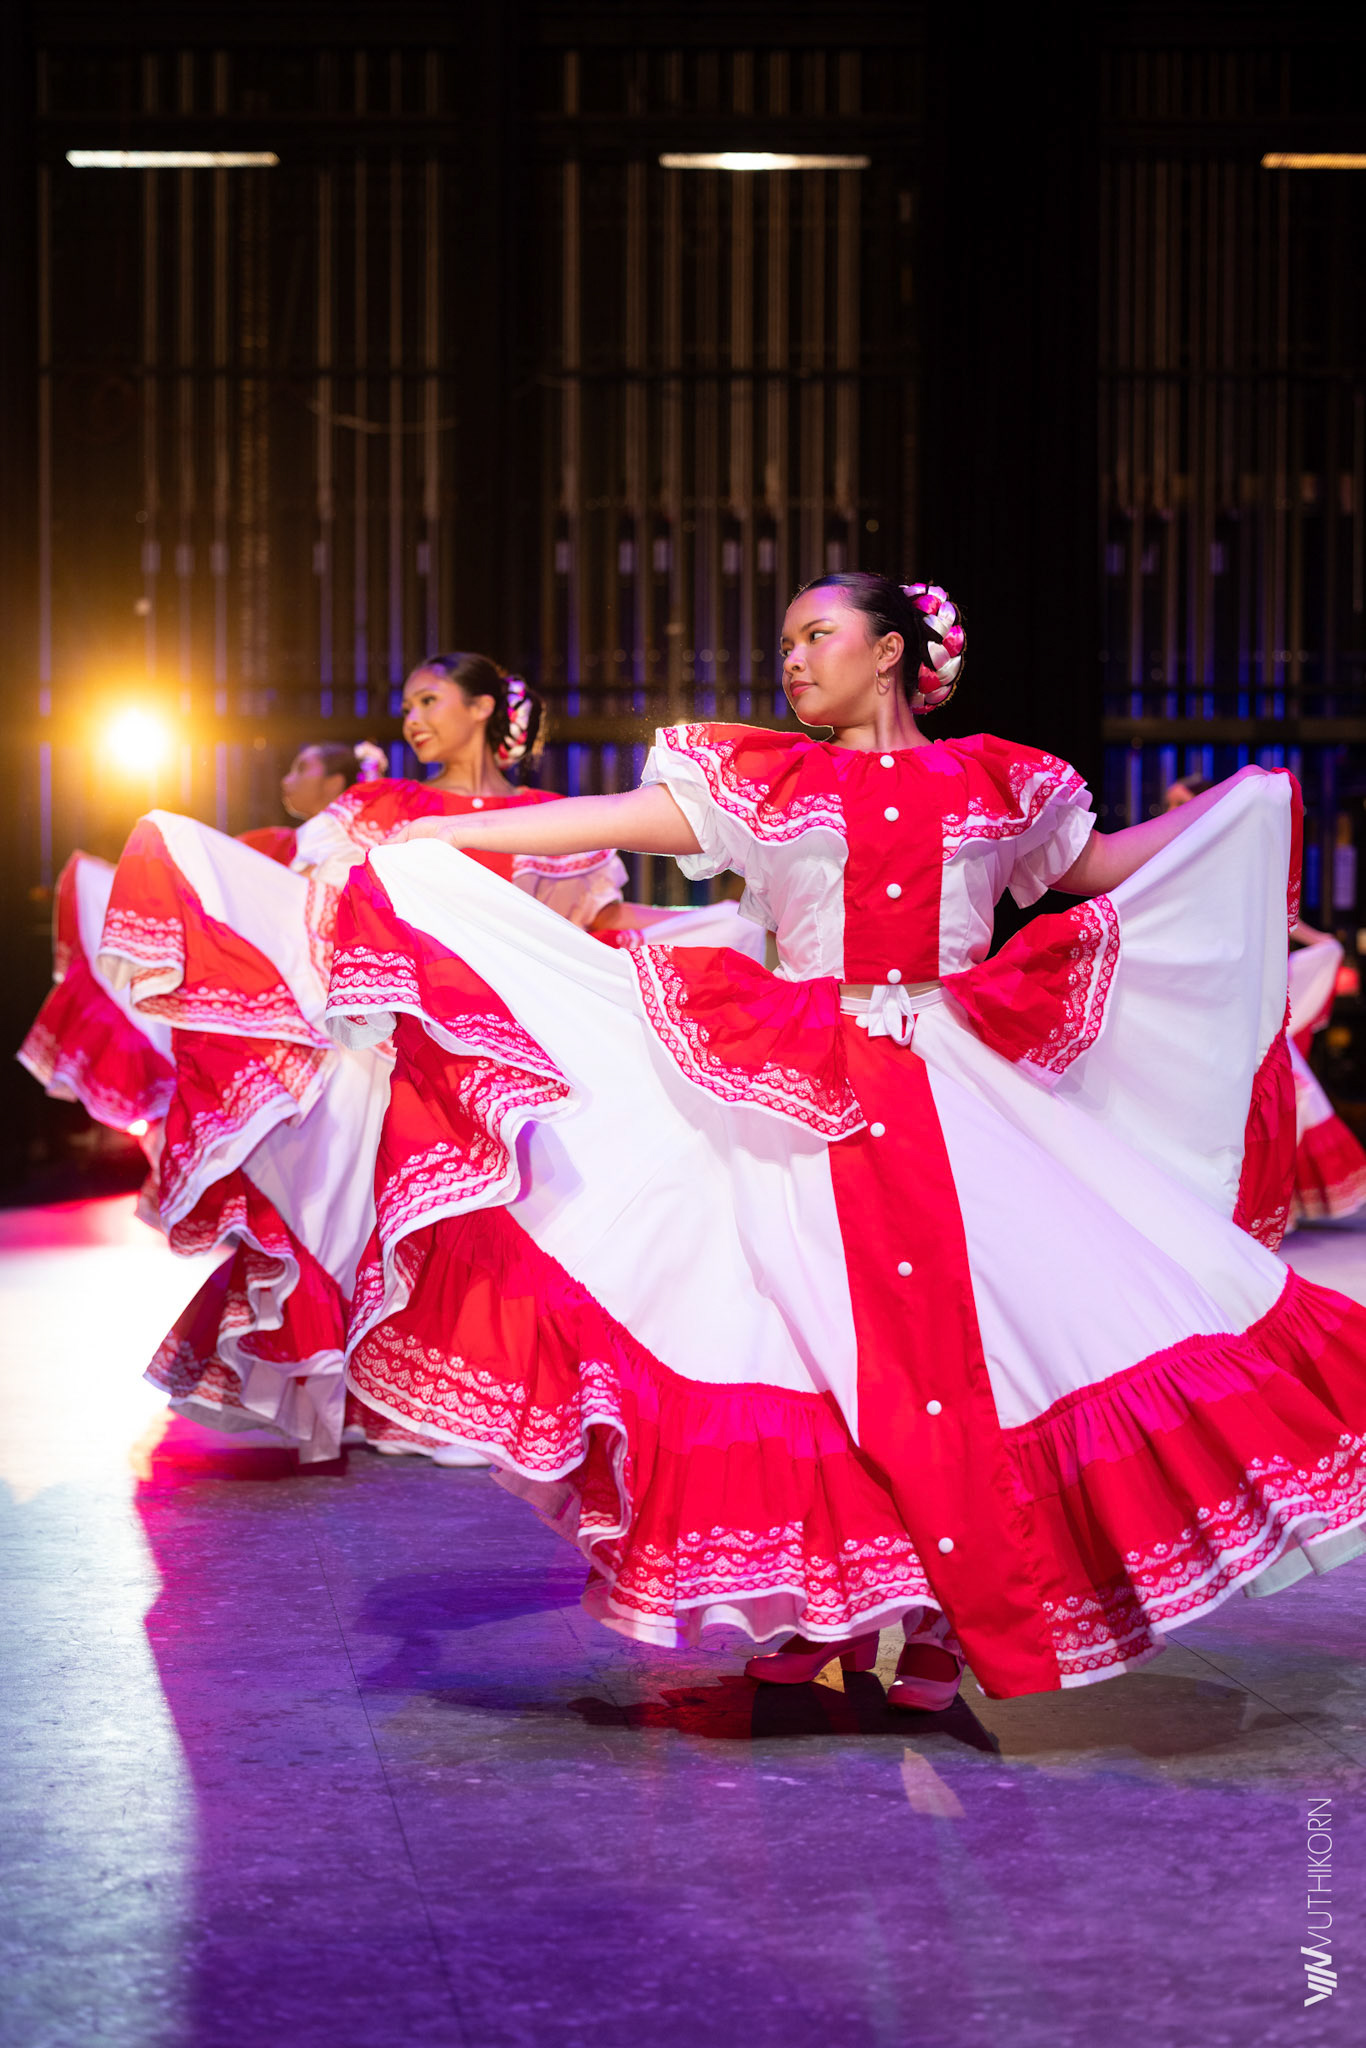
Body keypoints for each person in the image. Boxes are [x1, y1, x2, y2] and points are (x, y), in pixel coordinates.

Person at [323, 572, 1366, 1708]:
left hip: (958, 1082)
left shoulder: (995, 780)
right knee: (802, 1341)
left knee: (988, 1346)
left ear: (889, 651)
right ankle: (827, 1612)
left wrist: (1245, 804)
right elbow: (606, 817)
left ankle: (939, 1623)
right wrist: (434, 839)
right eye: (785, 641)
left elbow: (1105, 866)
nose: (793, 658)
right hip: (798, 1081)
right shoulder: (770, 780)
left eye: (817, 634)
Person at [94, 654, 761, 1467]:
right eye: (407, 704)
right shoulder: (380, 806)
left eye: (429, 700)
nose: (412, 718)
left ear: (481, 707)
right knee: (370, 1214)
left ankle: (477, 1399)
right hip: (396, 1043)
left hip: (504, 1045)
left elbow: (592, 924)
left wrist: (714, 927)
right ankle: (369, 1395)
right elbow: (319, 908)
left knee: (509, 1223)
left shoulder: (544, 819)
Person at [1285, 918, 1366, 1225]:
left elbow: (1283, 914)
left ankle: (1280, 1211)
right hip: (1244, 1006)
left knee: (1297, 1104)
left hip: (1263, 1013)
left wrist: (1322, 940)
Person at [237, 739, 389, 864]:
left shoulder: (356, 851)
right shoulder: (275, 842)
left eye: (301, 769)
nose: (286, 781)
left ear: (333, 783)